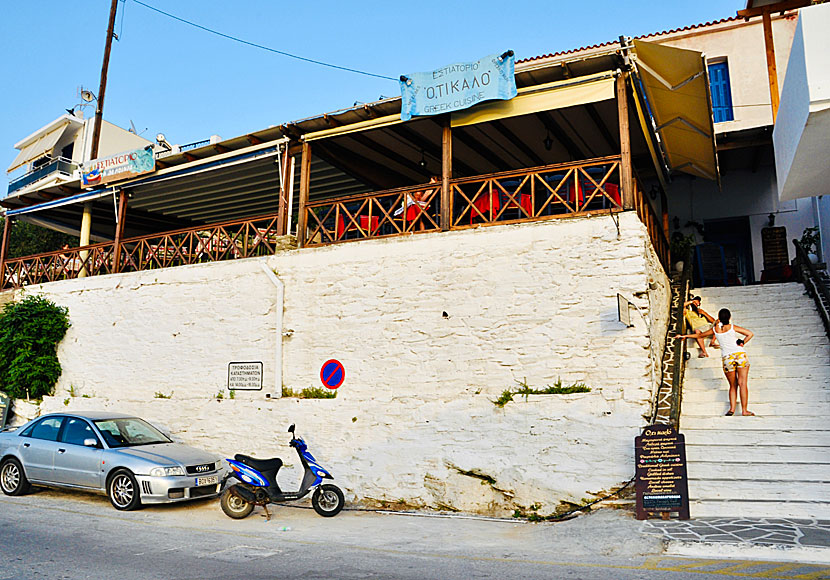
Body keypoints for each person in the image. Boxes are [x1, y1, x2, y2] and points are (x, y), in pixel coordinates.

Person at [677, 308, 755, 416]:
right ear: (729, 317)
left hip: (727, 358)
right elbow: (750, 334)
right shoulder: (732, 327)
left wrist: (684, 336)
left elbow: (699, 335)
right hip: (740, 355)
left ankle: (732, 409)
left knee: (733, 385)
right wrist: (742, 342)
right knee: (742, 384)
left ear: (719, 318)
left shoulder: (715, 330)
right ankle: (744, 410)